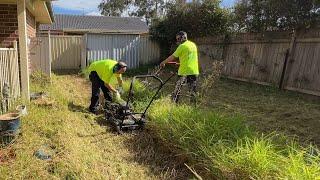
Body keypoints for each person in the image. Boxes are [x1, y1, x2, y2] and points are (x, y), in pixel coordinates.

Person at [160, 31, 199, 103]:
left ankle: (174, 104)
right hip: (194, 71)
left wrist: (163, 62)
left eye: (178, 39)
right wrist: (180, 63)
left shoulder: (182, 46)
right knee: (192, 91)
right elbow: (188, 57)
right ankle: (194, 106)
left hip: (184, 72)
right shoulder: (193, 45)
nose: (177, 40)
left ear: (183, 38)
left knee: (177, 90)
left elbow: (173, 57)